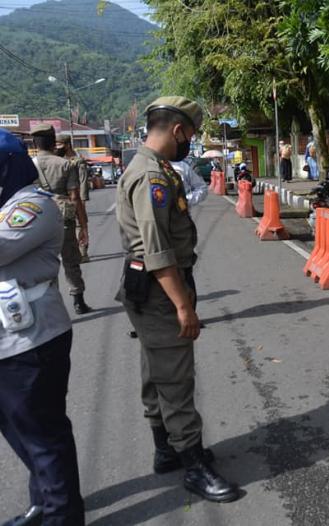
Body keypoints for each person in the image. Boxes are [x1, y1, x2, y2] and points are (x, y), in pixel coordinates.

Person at [115, 96, 240, 503]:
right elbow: (156, 250)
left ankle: (166, 449)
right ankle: (193, 466)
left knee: (155, 371)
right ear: (178, 130)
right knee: (175, 378)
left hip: (149, 289)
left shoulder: (155, 168)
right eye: (191, 134)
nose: (191, 142)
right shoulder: (151, 176)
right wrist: (183, 305)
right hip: (160, 291)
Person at [0, 128, 85, 526]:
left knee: (43, 436)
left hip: (32, 342)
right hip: (8, 343)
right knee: (21, 434)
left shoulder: (32, 205)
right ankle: (44, 501)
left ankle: (62, 515)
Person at [30, 124, 92, 315]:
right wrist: (83, 225)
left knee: (45, 264)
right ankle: (78, 301)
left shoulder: (29, 165)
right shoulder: (65, 164)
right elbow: (74, 197)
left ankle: (50, 305)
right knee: (70, 261)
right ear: (53, 143)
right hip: (63, 219)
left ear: (34, 143)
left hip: (38, 221)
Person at [55, 134, 90, 263]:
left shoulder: (78, 161)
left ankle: (83, 252)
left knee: (80, 224)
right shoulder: (59, 161)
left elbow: (83, 181)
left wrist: (83, 200)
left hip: (77, 197)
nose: (57, 148)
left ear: (67, 145)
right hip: (64, 198)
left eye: (59, 145)